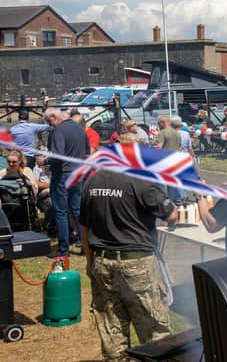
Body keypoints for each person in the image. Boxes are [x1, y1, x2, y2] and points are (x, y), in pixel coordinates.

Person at [80, 132, 178, 361]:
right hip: (138, 263)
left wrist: (89, 261)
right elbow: (172, 215)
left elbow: (84, 228)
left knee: (112, 333)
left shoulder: (93, 180)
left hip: (102, 262)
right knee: (155, 333)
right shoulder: (141, 179)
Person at [44, 107, 90, 257]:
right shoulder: (80, 129)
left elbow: (58, 156)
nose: (50, 126)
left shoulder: (58, 131)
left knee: (61, 212)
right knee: (77, 211)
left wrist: (45, 160)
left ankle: (64, 249)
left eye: (49, 122)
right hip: (77, 174)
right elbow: (87, 153)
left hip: (62, 175)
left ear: (53, 117)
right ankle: (85, 245)